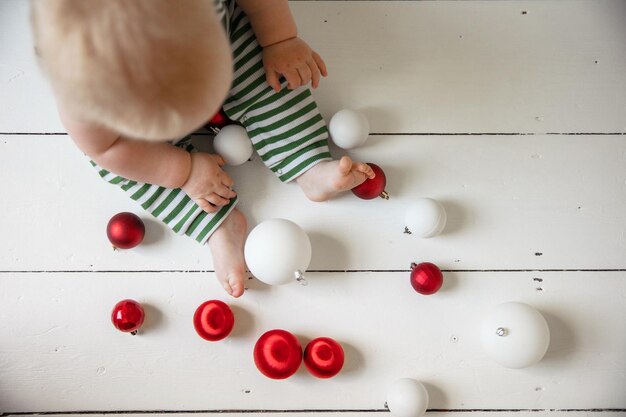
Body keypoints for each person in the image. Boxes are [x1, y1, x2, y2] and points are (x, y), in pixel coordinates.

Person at [31, 0, 375, 297]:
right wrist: (182, 171)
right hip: (132, 116)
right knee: (117, 163)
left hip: (222, 38)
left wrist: (280, 40)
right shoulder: (85, 93)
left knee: (268, 67)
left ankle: (308, 162)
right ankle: (217, 222)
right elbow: (105, 148)